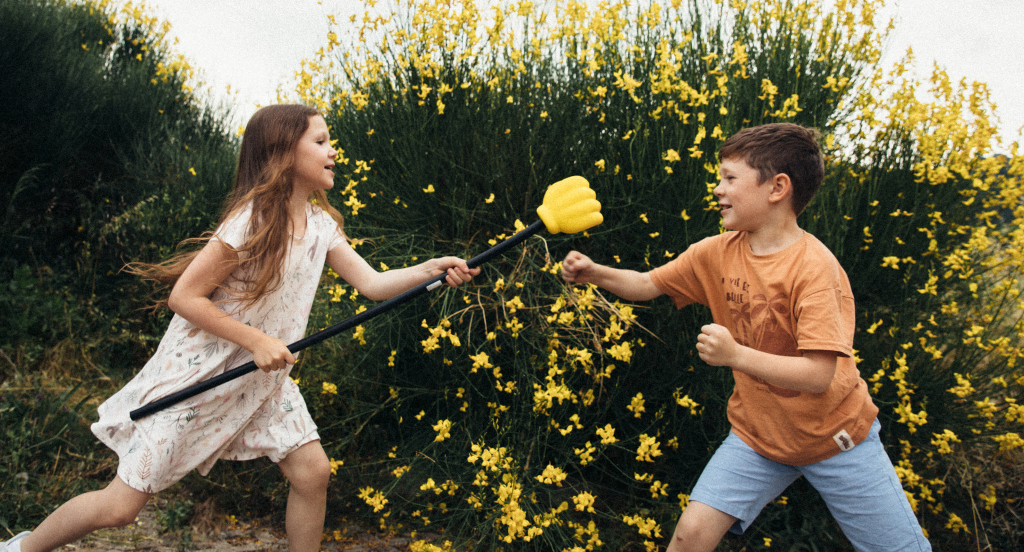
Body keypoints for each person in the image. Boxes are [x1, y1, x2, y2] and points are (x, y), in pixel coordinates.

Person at [2, 104, 479, 552]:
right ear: (283, 154)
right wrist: (257, 341)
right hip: (203, 376)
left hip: (263, 379)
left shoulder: (320, 225)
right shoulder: (251, 221)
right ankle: (22, 547)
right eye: (320, 141)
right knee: (120, 509)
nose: (333, 151)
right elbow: (184, 297)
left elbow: (372, 284)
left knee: (312, 472)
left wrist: (430, 270)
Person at [561, 123, 930, 552]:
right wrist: (595, 273)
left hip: (836, 437)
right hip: (759, 437)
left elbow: (817, 376)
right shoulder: (716, 252)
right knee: (690, 535)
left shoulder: (816, 270)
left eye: (730, 178)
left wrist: (735, 355)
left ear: (777, 188)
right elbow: (647, 284)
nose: (718, 189)